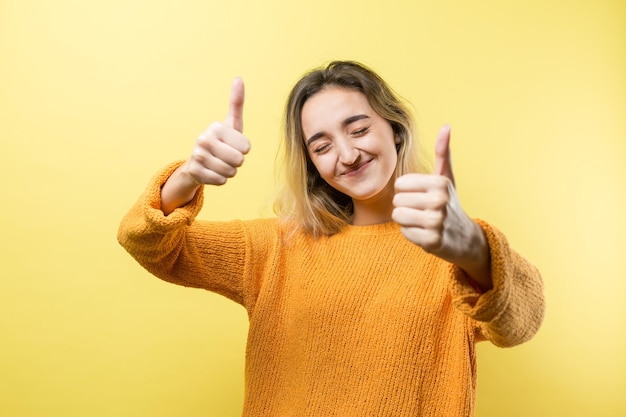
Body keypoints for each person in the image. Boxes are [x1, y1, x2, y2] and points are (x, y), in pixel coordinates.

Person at [118, 60, 545, 416]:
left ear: (394, 127)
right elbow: (144, 241)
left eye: (358, 129)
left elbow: (522, 321)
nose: (346, 155)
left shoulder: (454, 243)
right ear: (311, 165)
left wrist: (471, 247)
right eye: (321, 147)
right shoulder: (275, 247)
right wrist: (189, 176)